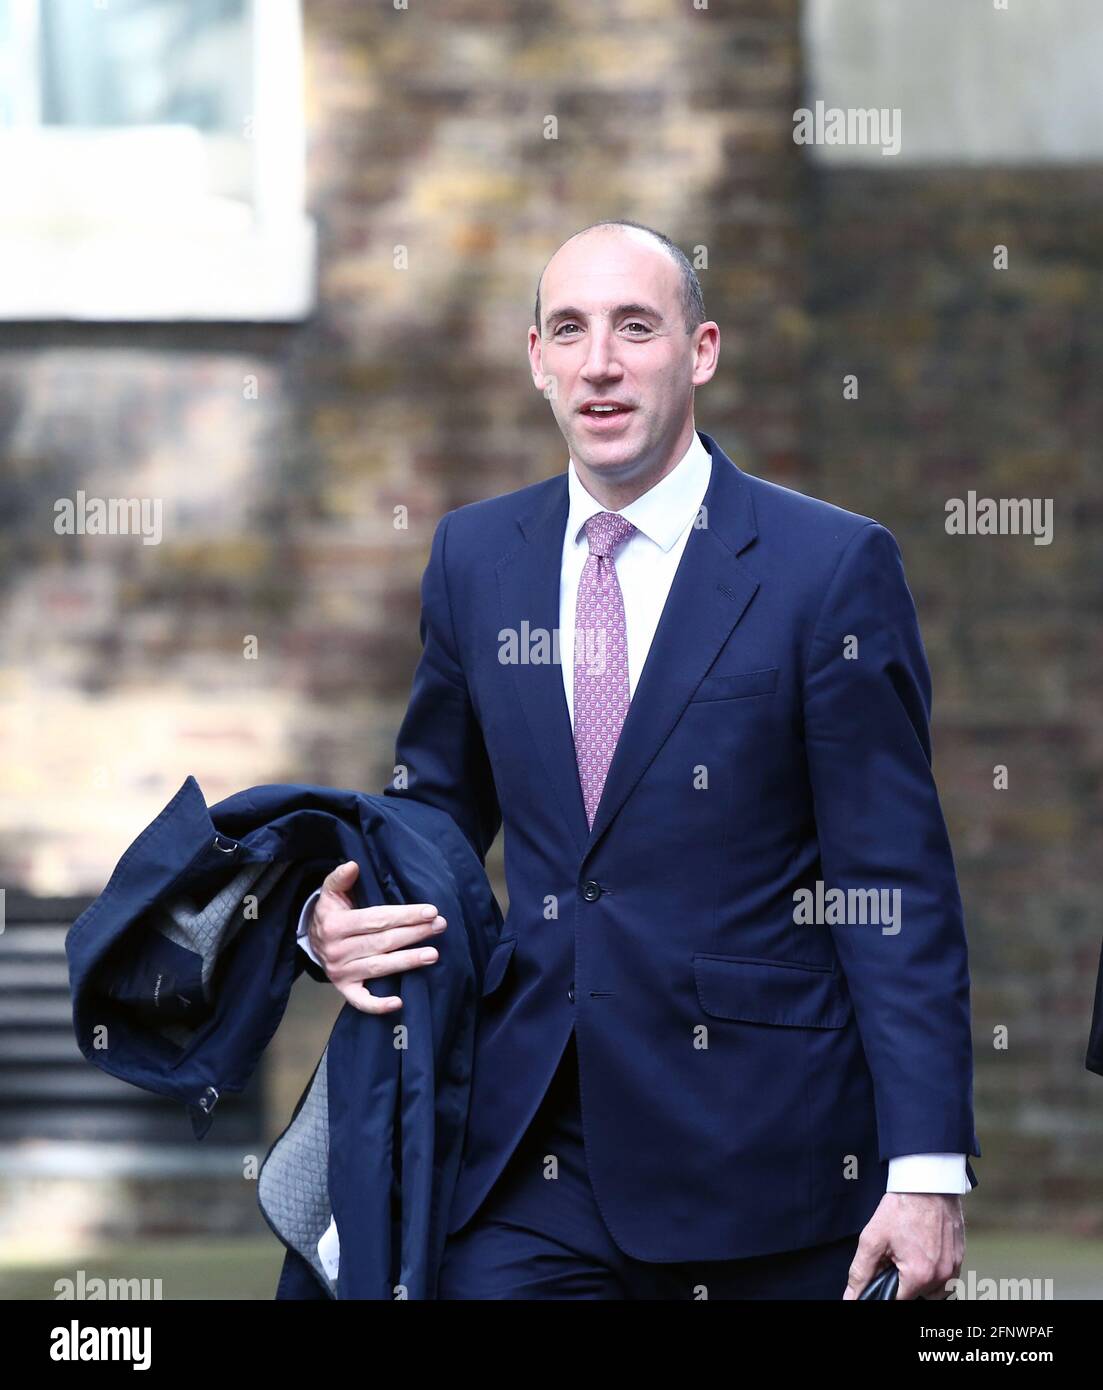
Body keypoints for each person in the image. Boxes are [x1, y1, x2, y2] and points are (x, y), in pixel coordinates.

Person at [296, 219, 980, 1300]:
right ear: (536, 360)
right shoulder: (475, 558)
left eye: (633, 327)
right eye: (568, 330)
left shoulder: (828, 567)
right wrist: (330, 920)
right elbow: (429, 812)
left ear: (699, 349)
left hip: (762, 1160)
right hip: (530, 1156)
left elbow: (887, 886)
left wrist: (925, 1167)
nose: (598, 361)